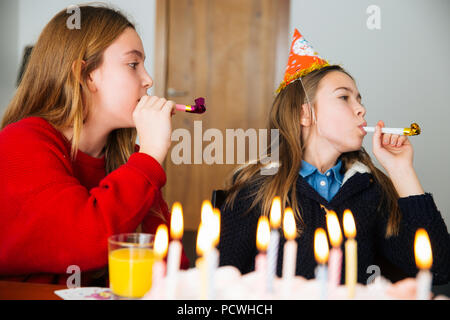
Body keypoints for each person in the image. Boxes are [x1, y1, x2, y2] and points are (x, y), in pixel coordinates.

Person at [218, 29, 450, 285]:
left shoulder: (371, 190)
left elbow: (437, 269)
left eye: (359, 100)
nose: (361, 109)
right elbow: (220, 280)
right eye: (344, 97)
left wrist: (402, 171)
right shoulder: (257, 190)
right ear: (304, 114)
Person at [0, 4, 189, 285]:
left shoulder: (129, 161)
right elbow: (85, 241)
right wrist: (150, 156)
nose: (148, 80)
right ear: (85, 75)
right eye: (133, 64)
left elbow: (169, 262)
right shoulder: (19, 143)